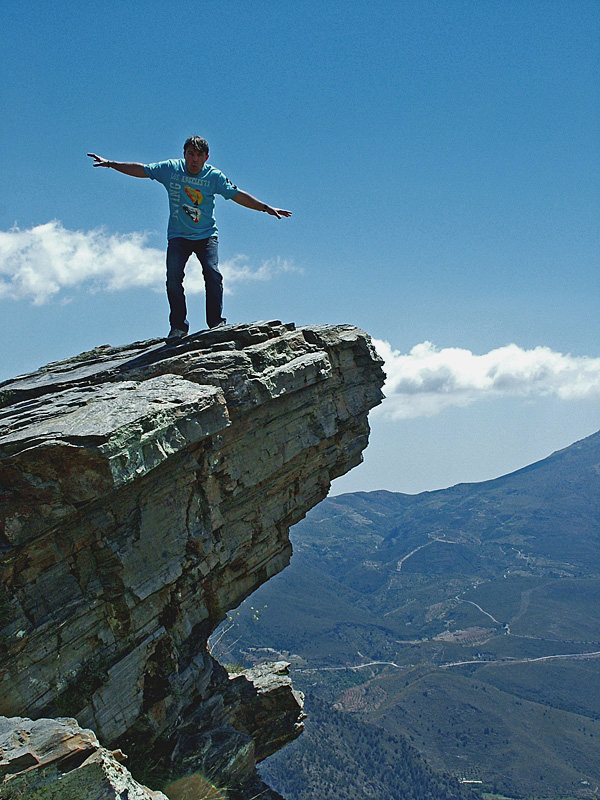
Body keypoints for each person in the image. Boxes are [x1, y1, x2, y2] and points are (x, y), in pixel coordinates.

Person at [88, 136, 291, 339]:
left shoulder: (214, 176)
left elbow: (237, 194)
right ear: (184, 155)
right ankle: (178, 327)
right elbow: (142, 170)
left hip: (206, 235)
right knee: (173, 278)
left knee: (212, 273)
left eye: (199, 155)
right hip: (179, 236)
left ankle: (216, 323)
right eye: (190, 154)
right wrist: (110, 164)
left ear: (206, 157)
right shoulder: (171, 169)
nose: (194, 159)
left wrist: (265, 208)